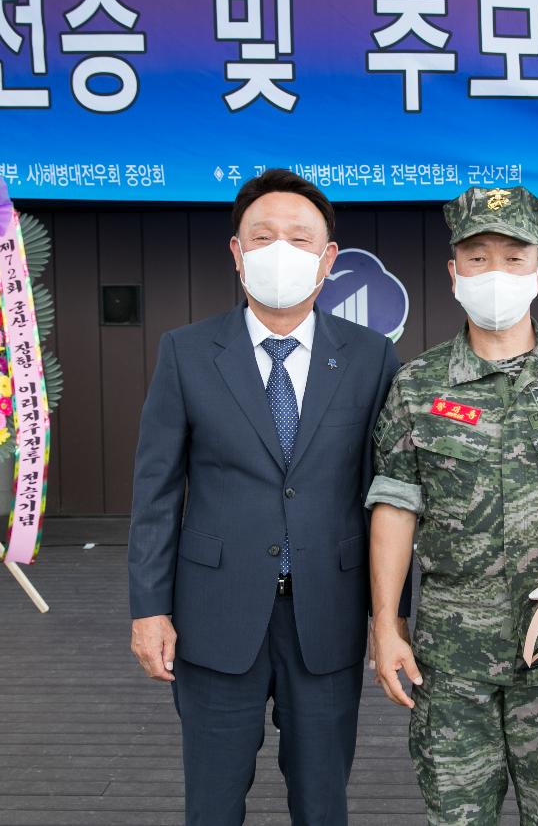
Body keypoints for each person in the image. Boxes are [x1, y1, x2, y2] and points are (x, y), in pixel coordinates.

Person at [127, 169, 405, 826]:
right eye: (263, 235)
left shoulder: (370, 358)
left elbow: (389, 494)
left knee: (321, 800)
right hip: (215, 615)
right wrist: (148, 608)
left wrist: (390, 618)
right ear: (237, 250)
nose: (281, 248)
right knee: (213, 802)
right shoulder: (187, 352)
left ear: (327, 257)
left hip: (329, 617)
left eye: (300, 237)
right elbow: (156, 489)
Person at [366, 186, 538, 824]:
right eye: (477, 258)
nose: (495, 273)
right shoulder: (417, 385)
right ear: (453, 273)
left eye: (513, 258)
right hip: (453, 660)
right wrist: (384, 625)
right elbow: (395, 508)